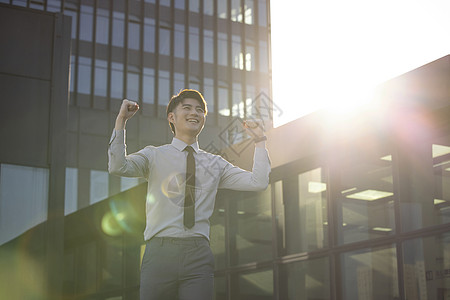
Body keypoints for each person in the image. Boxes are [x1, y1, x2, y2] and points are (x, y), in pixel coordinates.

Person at [108, 89, 271, 300]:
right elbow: (118, 167)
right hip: (159, 252)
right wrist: (121, 122)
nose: (194, 112)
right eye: (187, 108)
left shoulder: (216, 164)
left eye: (200, 109)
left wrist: (260, 141)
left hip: (198, 254)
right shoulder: (154, 155)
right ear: (171, 117)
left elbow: (258, 182)